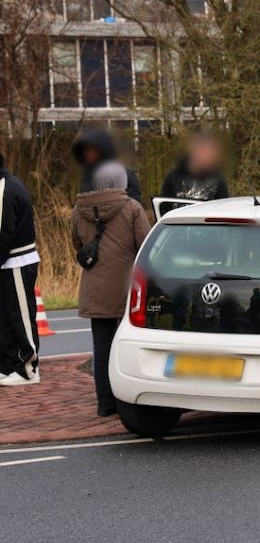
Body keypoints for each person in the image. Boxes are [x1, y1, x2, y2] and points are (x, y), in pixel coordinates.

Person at [71, 162, 150, 416]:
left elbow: (77, 244)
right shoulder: (131, 208)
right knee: (127, 344)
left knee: (101, 346)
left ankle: (105, 404)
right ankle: (128, 401)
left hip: (95, 288)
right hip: (127, 288)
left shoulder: (78, 209)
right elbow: (146, 246)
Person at [0, 148, 41, 386]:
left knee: (21, 317)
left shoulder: (6, 187)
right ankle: (8, 365)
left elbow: (4, 232)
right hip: (9, 261)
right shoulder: (6, 184)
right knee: (6, 317)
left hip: (17, 260)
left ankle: (28, 368)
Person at [72, 129, 143, 203]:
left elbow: (134, 201)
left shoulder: (122, 172)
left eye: (91, 150)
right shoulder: (87, 176)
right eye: (86, 151)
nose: (88, 154)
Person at [160, 134, 230, 201]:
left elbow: (222, 207)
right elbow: (163, 206)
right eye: (202, 152)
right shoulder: (174, 177)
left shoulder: (218, 180)